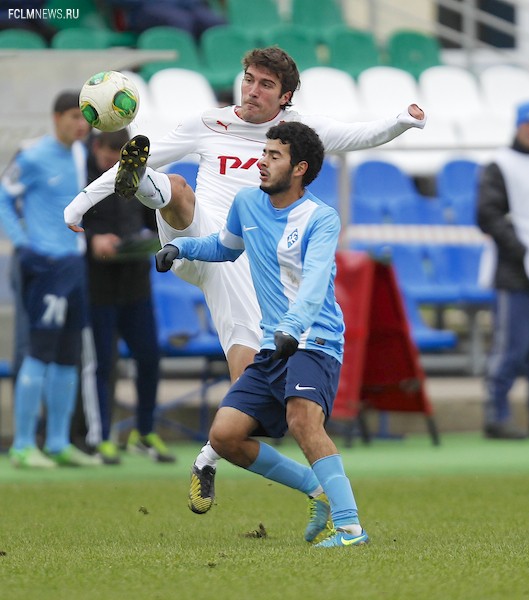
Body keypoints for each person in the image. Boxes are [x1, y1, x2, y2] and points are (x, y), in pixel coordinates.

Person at [64, 46, 426, 508]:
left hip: (245, 271)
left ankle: (250, 470)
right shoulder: (208, 123)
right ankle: (145, 185)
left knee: (245, 413)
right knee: (174, 187)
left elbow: (359, 135)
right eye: (249, 79)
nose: (252, 90)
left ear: (285, 97)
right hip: (197, 243)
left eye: (266, 84)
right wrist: (79, 205)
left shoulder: (297, 134)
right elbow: (130, 161)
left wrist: (402, 120)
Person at [156, 121, 366, 547]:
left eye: (273, 156)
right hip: (275, 344)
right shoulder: (248, 201)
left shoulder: (322, 219)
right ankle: (318, 488)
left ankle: (350, 529)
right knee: (226, 436)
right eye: (263, 152)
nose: (261, 161)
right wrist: (183, 248)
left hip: (314, 340)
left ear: (300, 168)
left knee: (303, 420)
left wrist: (291, 327)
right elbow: (226, 247)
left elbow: (313, 285)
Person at [0, 91, 101, 468]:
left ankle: (58, 441)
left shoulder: (79, 152)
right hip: (45, 265)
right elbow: (2, 196)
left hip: (74, 265)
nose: (81, 124)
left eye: (85, 118)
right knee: (39, 353)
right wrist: (24, 244)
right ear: (56, 117)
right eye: (75, 116)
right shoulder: (33, 155)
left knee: (67, 357)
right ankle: (24, 444)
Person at [83, 129, 175, 464]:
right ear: (96, 148)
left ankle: (145, 432)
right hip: (98, 286)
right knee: (104, 363)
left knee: (149, 357)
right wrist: (93, 240)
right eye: (108, 154)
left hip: (136, 282)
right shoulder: (82, 174)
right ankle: (102, 437)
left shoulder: (136, 175)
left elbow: (155, 219)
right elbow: (71, 222)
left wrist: (150, 238)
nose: (113, 162)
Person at [477, 100, 529, 440]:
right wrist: (520, 249)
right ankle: (496, 415)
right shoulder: (500, 163)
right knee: (510, 347)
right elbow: (488, 214)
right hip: (513, 269)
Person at [108, 0, 226, 40]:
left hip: (178, 5)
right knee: (180, 20)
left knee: (214, 22)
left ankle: (220, 64)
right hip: (143, 9)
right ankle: (185, 64)